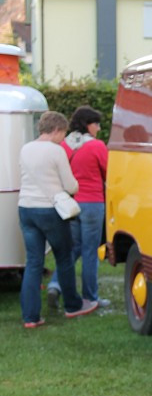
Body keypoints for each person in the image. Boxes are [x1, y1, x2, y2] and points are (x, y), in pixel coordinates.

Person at [18, 111, 99, 328]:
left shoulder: (25, 148)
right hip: (50, 209)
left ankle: (30, 316)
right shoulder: (56, 151)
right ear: (56, 130)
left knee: (33, 262)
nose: (63, 138)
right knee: (64, 257)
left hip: (26, 208)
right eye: (62, 133)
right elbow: (71, 185)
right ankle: (72, 305)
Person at [47, 105, 109, 309]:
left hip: (70, 203)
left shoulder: (64, 145)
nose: (98, 128)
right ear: (87, 125)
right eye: (96, 124)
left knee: (71, 248)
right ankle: (91, 297)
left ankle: (56, 284)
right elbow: (108, 172)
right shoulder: (97, 146)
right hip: (93, 203)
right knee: (90, 251)